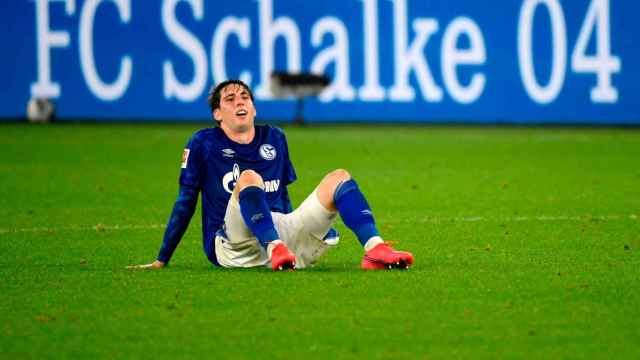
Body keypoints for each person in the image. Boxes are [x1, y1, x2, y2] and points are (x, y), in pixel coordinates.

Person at [128, 80, 413, 271]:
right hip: (231, 245)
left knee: (339, 177)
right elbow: (185, 201)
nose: (239, 101)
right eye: (230, 98)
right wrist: (162, 258)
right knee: (250, 178)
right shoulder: (202, 143)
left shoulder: (274, 137)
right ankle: (275, 247)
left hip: (279, 238)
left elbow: (283, 196)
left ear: (253, 107)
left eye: (245, 97)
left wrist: (303, 232)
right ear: (217, 113)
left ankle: (375, 249)